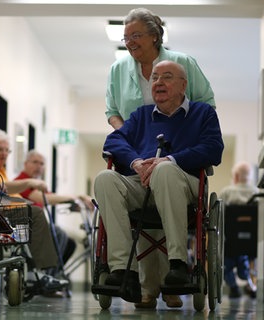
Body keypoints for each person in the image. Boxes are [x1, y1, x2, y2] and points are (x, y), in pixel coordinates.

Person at [104, 7, 216, 309]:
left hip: (179, 161)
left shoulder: (185, 67)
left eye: (136, 35)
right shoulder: (121, 74)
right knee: (128, 194)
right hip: (140, 152)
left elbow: (205, 116)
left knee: (165, 178)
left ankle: (173, 277)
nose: (129, 41)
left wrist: (173, 156)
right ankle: (138, 281)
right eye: (125, 37)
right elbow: (113, 116)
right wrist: (134, 147)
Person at [0, 130, 69, 292]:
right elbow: (1, 188)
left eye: (6, 150)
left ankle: (40, 273)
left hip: (8, 211)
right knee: (36, 214)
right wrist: (30, 183)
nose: (4, 153)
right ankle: (37, 274)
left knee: (48, 224)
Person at [14, 149, 94, 264]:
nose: (38, 166)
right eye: (35, 162)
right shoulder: (22, 182)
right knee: (59, 234)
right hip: (28, 228)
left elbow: (53, 197)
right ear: (26, 164)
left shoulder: (37, 184)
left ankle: (54, 273)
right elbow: (45, 198)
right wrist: (77, 197)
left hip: (37, 226)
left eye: (42, 164)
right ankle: (48, 272)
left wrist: (78, 205)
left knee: (70, 244)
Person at [219, 162, 259, 298]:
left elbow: (219, 217)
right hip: (251, 245)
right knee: (245, 254)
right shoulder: (257, 193)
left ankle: (234, 287)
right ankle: (247, 275)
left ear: (236, 176)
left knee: (227, 263)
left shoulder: (226, 193)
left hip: (230, 243)